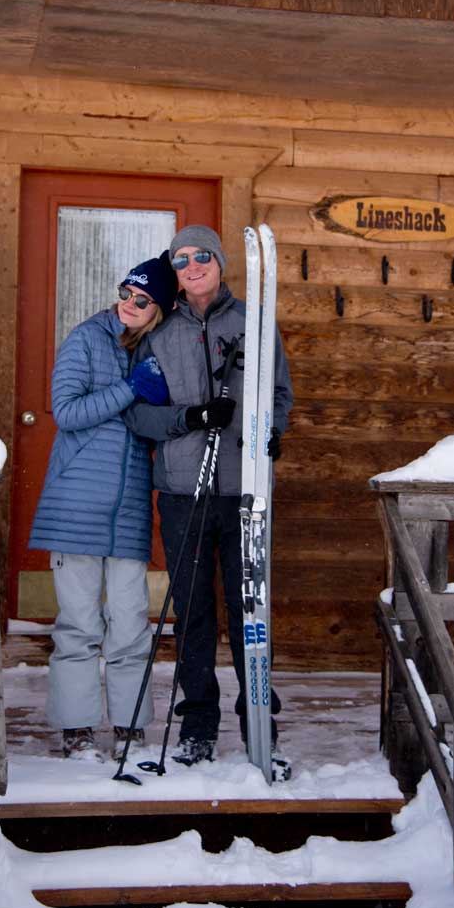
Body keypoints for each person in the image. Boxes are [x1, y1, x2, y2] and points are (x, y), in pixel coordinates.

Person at [125, 224, 294, 780]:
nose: (192, 265)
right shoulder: (158, 331)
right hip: (182, 491)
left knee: (251, 611)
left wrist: (273, 431)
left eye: (202, 256)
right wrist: (191, 417)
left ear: (221, 263)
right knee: (193, 610)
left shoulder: (253, 322)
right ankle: (197, 723)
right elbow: (138, 414)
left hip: (246, 492)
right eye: (181, 259)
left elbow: (280, 394)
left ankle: (258, 724)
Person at [28, 251, 177, 762]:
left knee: (132, 624)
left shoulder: (156, 348)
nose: (128, 304)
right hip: (75, 506)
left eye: (142, 299)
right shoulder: (86, 338)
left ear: (160, 309)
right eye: (124, 292)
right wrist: (128, 389)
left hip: (130, 507)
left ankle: (132, 727)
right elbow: (66, 412)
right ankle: (77, 729)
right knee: (78, 627)